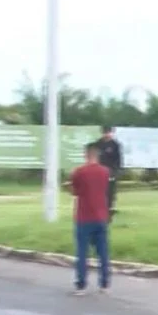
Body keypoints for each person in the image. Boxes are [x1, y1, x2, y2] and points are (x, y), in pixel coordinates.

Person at [68, 142, 111, 295]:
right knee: (103, 252)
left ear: (85, 155)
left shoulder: (79, 172)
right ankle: (104, 284)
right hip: (101, 216)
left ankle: (81, 285)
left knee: (82, 252)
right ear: (98, 156)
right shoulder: (105, 171)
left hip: (84, 216)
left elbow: (75, 191)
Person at [96, 125, 123, 221]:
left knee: (110, 193)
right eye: (105, 132)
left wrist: (115, 173)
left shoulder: (115, 145)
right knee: (98, 193)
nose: (107, 134)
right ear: (102, 133)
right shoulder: (97, 144)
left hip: (110, 173)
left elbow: (118, 160)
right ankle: (98, 212)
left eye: (109, 132)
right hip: (98, 173)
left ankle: (109, 212)